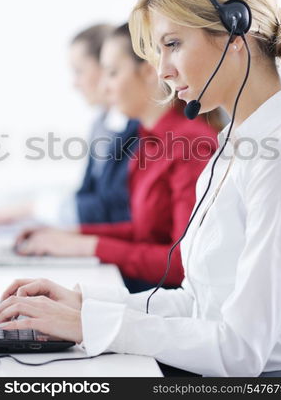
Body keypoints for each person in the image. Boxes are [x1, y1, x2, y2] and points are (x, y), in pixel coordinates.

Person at [0, 0, 281, 377]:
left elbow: (240, 351)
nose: (162, 72)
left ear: (235, 29)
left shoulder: (279, 157)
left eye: (172, 44)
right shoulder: (234, 144)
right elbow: (198, 302)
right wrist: (83, 304)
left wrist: (91, 325)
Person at [13, 23, 218, 292]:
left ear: (147, 72)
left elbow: (182, 264)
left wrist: (86, 245)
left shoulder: (190, 143)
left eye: (111, 73)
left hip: (170, 304)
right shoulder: (147, 141)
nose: (104, 88)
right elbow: (144, 232)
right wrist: (71, 236)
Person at [0, 24, 138, 229]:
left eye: (79, 71)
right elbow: (86, 196)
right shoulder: (101, 124)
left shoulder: (139, 128)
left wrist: (29, 210)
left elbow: (113, 208)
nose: (75, 83)